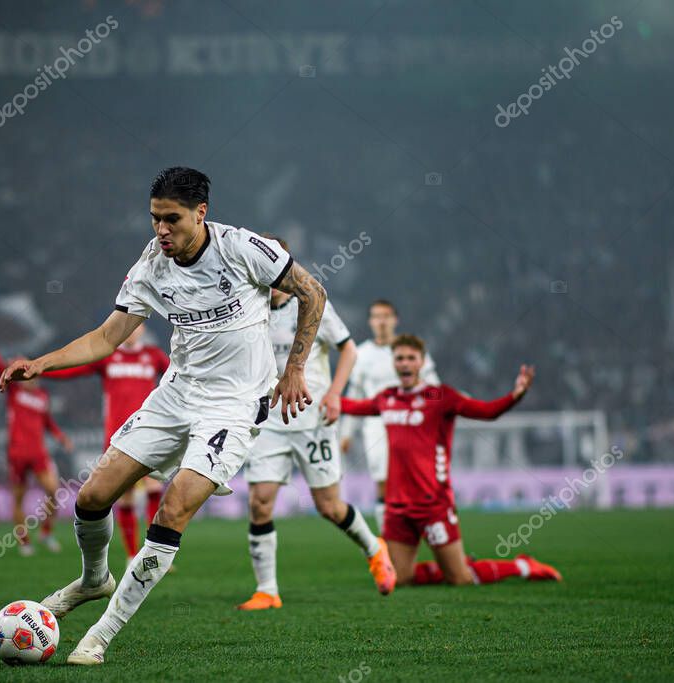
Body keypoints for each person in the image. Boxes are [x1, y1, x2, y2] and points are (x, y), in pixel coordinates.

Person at [0, 167, 326, 665]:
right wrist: (41, 363)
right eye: (155, 218)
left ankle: (100, 636)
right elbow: (106, 337)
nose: (161, 229)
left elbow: (312, 292)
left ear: (201, 213)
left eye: (172, 219)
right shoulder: (153, 263)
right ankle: (93, 580)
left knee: (172, 509)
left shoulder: (242, 248)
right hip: (175, 395)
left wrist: (295, 368)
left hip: (233, 407)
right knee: (91, 496)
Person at [236, 235, 394, 611]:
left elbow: (349, 349)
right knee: (260, 503)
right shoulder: (247, 308)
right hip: (269, 422)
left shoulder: (309, 302)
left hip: (312, 420)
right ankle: (267, 590)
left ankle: (374, 549)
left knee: (329, 507)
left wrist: (335, 394)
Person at [339, 334, 561, 587]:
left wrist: (515, 395)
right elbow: (352, 406)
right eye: (399, 358)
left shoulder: (438, 396)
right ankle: (451, 565)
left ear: (422, 362)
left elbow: (486, 411)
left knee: (460, 579)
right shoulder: (387, 398)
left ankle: (522, 566)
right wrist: (323, 397)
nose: (405, 363)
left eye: (411, 358)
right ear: (393, 363)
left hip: (433, 504)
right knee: (400, 577)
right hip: (397, 506)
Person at [44, 322, 170, 561]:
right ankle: (132, 555)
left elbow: (179, 377)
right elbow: (73, 369)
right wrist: (40, 369)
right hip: (119, 439)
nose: (133, 330)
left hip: (150, 434)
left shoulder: (154, 356)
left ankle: (151, 552)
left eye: (137, 326)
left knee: (154, 488)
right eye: (129, 326)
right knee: (126, 496)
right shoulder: (108, 356)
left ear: (143, 329)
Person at [339, 300, 440, 533]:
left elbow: (434, 387)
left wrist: (438, 408)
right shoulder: (361, 354)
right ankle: (388, 538)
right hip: (377, 427)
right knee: (384, 483)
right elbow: (355, 394)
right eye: (377, 316)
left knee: (416, 482)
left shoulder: (410, 351)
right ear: (370, 321)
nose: (382, 321)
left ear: (395, 319)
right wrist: (346, 432)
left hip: (412, 424)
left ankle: (427, 534)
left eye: (386, 316)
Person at [0, 323, 73, 556]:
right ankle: (24, 541)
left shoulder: (42, 395)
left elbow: (47, 421)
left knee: (53, 491)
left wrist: (60, 436)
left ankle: (46, 533)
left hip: (38, 453)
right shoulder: (15, 390)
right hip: (18, 453)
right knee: (19, 499)